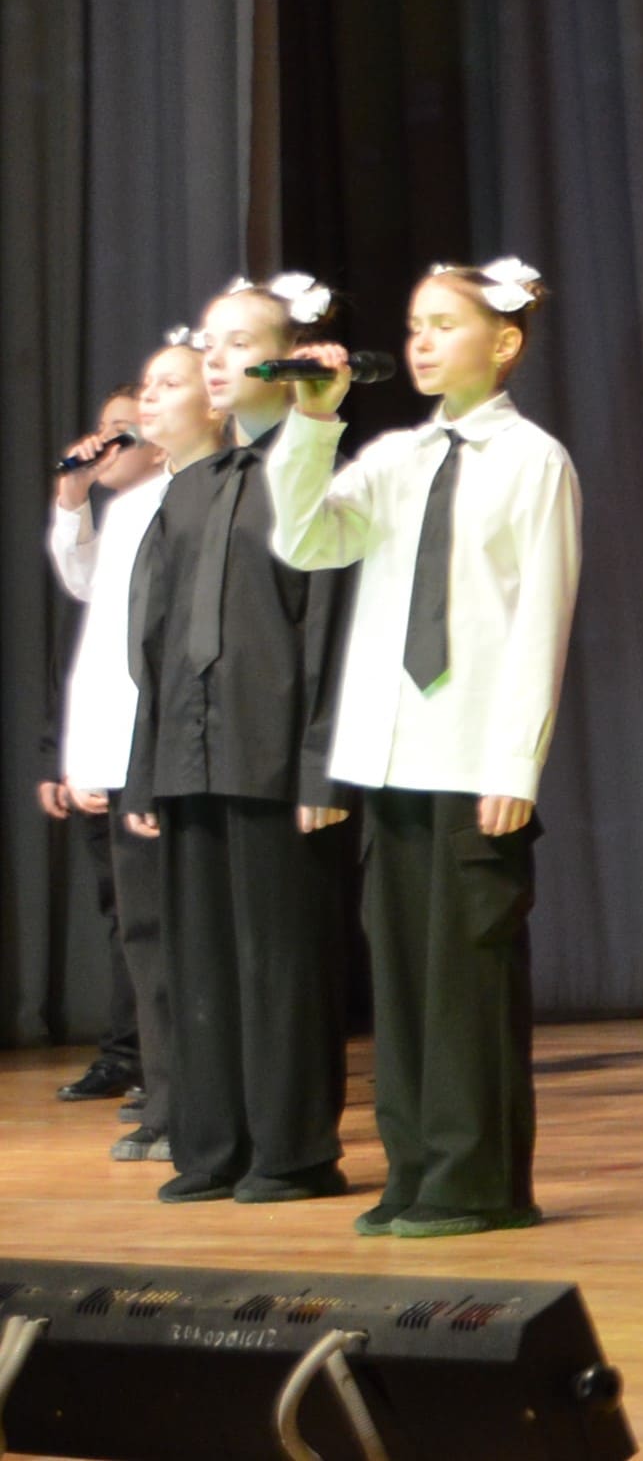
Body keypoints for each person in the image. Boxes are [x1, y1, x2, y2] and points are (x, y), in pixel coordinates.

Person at [269, 259, 580, 1238]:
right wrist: (311, 426)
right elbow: (307, 541)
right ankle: (412, 1171)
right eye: (415, 325)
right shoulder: (396, 457)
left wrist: (515, 763)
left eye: (446, 324)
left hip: (472, 759)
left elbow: (541, 620)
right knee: (402, 982)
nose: (423, 341)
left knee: (468, 981)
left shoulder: (534, 460)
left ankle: (477, 1183)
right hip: (391, 758)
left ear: (505, 342)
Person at [129, 274, 352, 1206]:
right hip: (189, 760)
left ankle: (292, 1153)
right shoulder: (187, 493)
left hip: (273, 761)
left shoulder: (313, 478)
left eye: (238, 343)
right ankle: (211, 1147)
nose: (214, 360)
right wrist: (145, 771)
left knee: (280, 963)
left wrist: (320, 767)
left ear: (287, 359)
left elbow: (332, 630)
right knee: (202, 963)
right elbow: (154, 645)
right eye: (208, 344)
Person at [44, 382, 160, 1117]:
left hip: (147, 756)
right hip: (105, 757)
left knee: (155, 920)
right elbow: (82, 601)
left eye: (126, 428)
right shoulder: (116, 520)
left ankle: (162, 1065)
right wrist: (72, 494)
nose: (107, 441)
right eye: (103, 427)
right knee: (125, 918)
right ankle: (131, 1054)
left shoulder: (173, 506)